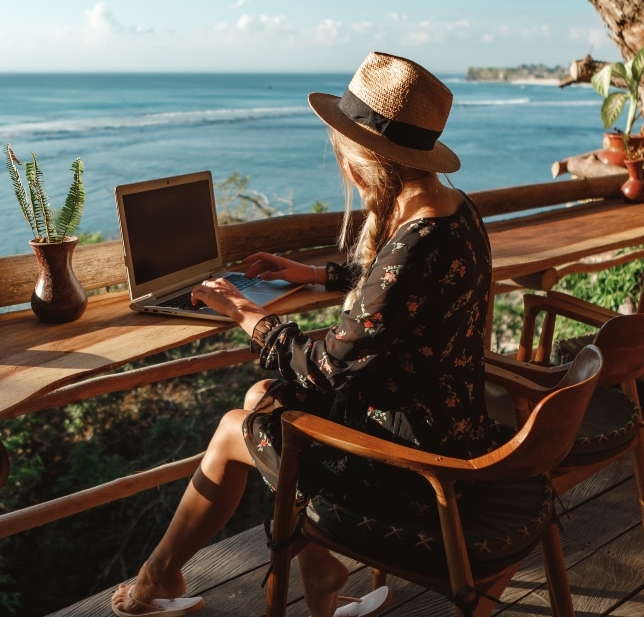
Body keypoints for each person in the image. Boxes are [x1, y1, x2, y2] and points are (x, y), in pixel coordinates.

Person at [111, 52, 500, 617]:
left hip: (416, 462)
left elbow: (328, 364)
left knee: (230, 430)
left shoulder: (415, 242)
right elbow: (400, 291)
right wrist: (316, 274)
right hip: (448, 423)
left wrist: (246, 312)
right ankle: (319, 576)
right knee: (260, 401)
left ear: (361, 161)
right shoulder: (451, 210)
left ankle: (157, 579)